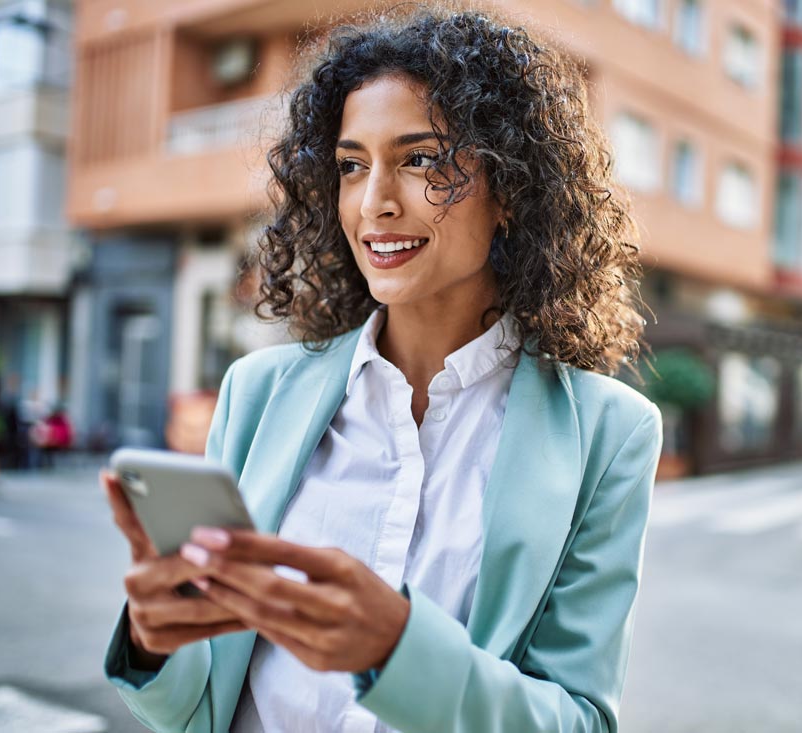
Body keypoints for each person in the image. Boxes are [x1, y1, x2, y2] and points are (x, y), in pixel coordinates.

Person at [100, 7, 663, 733]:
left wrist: (399, 650)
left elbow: (579, 719)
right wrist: (156, 639)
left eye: (421, 158)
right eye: (351, 165)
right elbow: (197, 709)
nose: (374, 204)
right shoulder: (259, 394)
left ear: (511, 188)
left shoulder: (609, 434)